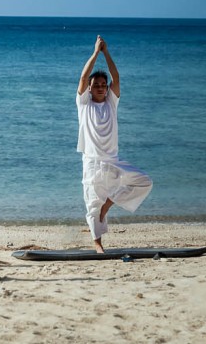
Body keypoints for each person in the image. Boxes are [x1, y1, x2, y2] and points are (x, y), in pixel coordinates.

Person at [76, 36, 153, 252]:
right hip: (92, 163)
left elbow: (116, 78)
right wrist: (95, 52)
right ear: (90, 89)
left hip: (113, 162)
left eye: (103, 85)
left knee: (144, 182)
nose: (100, 87)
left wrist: (106, 53)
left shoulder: (112, 102)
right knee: (92, 206)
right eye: (96, 85)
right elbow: (82, 78)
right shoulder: (83, 105)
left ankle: (110, 203)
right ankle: (98, 245)